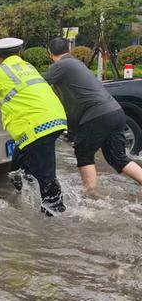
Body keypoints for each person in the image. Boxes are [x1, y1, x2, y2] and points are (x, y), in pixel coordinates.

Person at [0, 38, 68, 216]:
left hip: (37, 127)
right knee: (17, 169)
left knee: (45, 174)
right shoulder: (27, 67)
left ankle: (55, 215)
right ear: (19, 53)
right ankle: (27, 200)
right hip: (54, 118)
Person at [45, 38, 142, 190]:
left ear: (50, 53)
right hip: (115, 112)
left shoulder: (60, 66)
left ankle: (90, 196)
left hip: (97, 115)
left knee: (83, 154)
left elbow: (38, 85)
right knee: (118, 158)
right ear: (69, 50)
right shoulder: (77, 64)